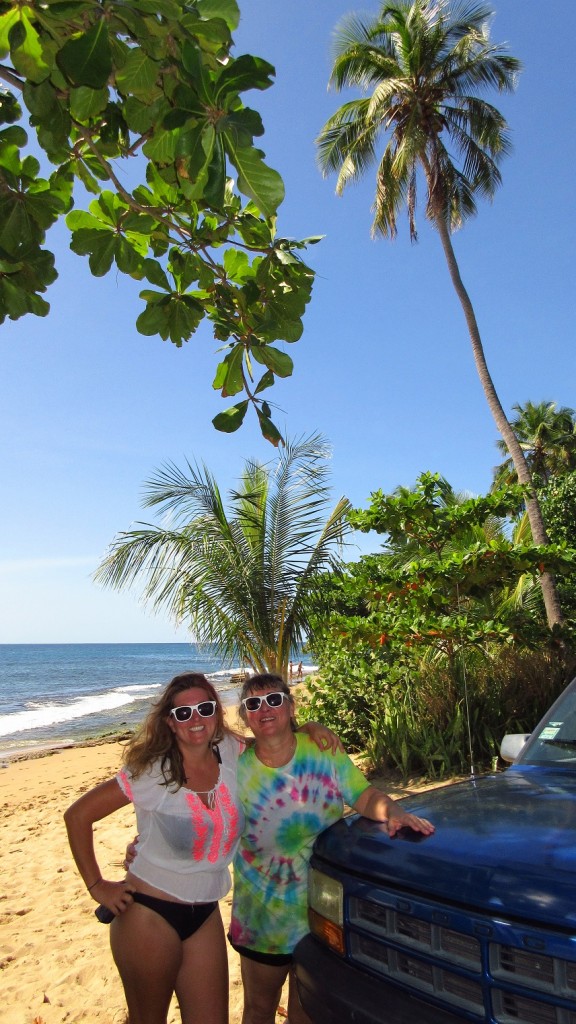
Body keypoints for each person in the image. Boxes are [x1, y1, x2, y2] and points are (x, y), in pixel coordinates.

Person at [228, 673, 435, 1024]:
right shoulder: (235, 770)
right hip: (264, 919)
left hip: (323, 912)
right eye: (253, 703)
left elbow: (364, 795)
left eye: (274, 700)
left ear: (291, 707)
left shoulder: (323, 750)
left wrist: (395, 812)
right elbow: (208, 822)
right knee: (259, 1010)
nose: (265, 708)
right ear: (246, 716)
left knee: (308, 1011)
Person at [64, 672, 246, 1024]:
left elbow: (276, 746)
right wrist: (97, 886)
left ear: (217, 713)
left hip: (206, 911)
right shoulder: (151, 772)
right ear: (170, 722)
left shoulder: (231, 751)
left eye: (205, 708)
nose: (196, 719)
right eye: (183, 713)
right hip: (148, 915)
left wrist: (312, 731)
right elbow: (78, 816)